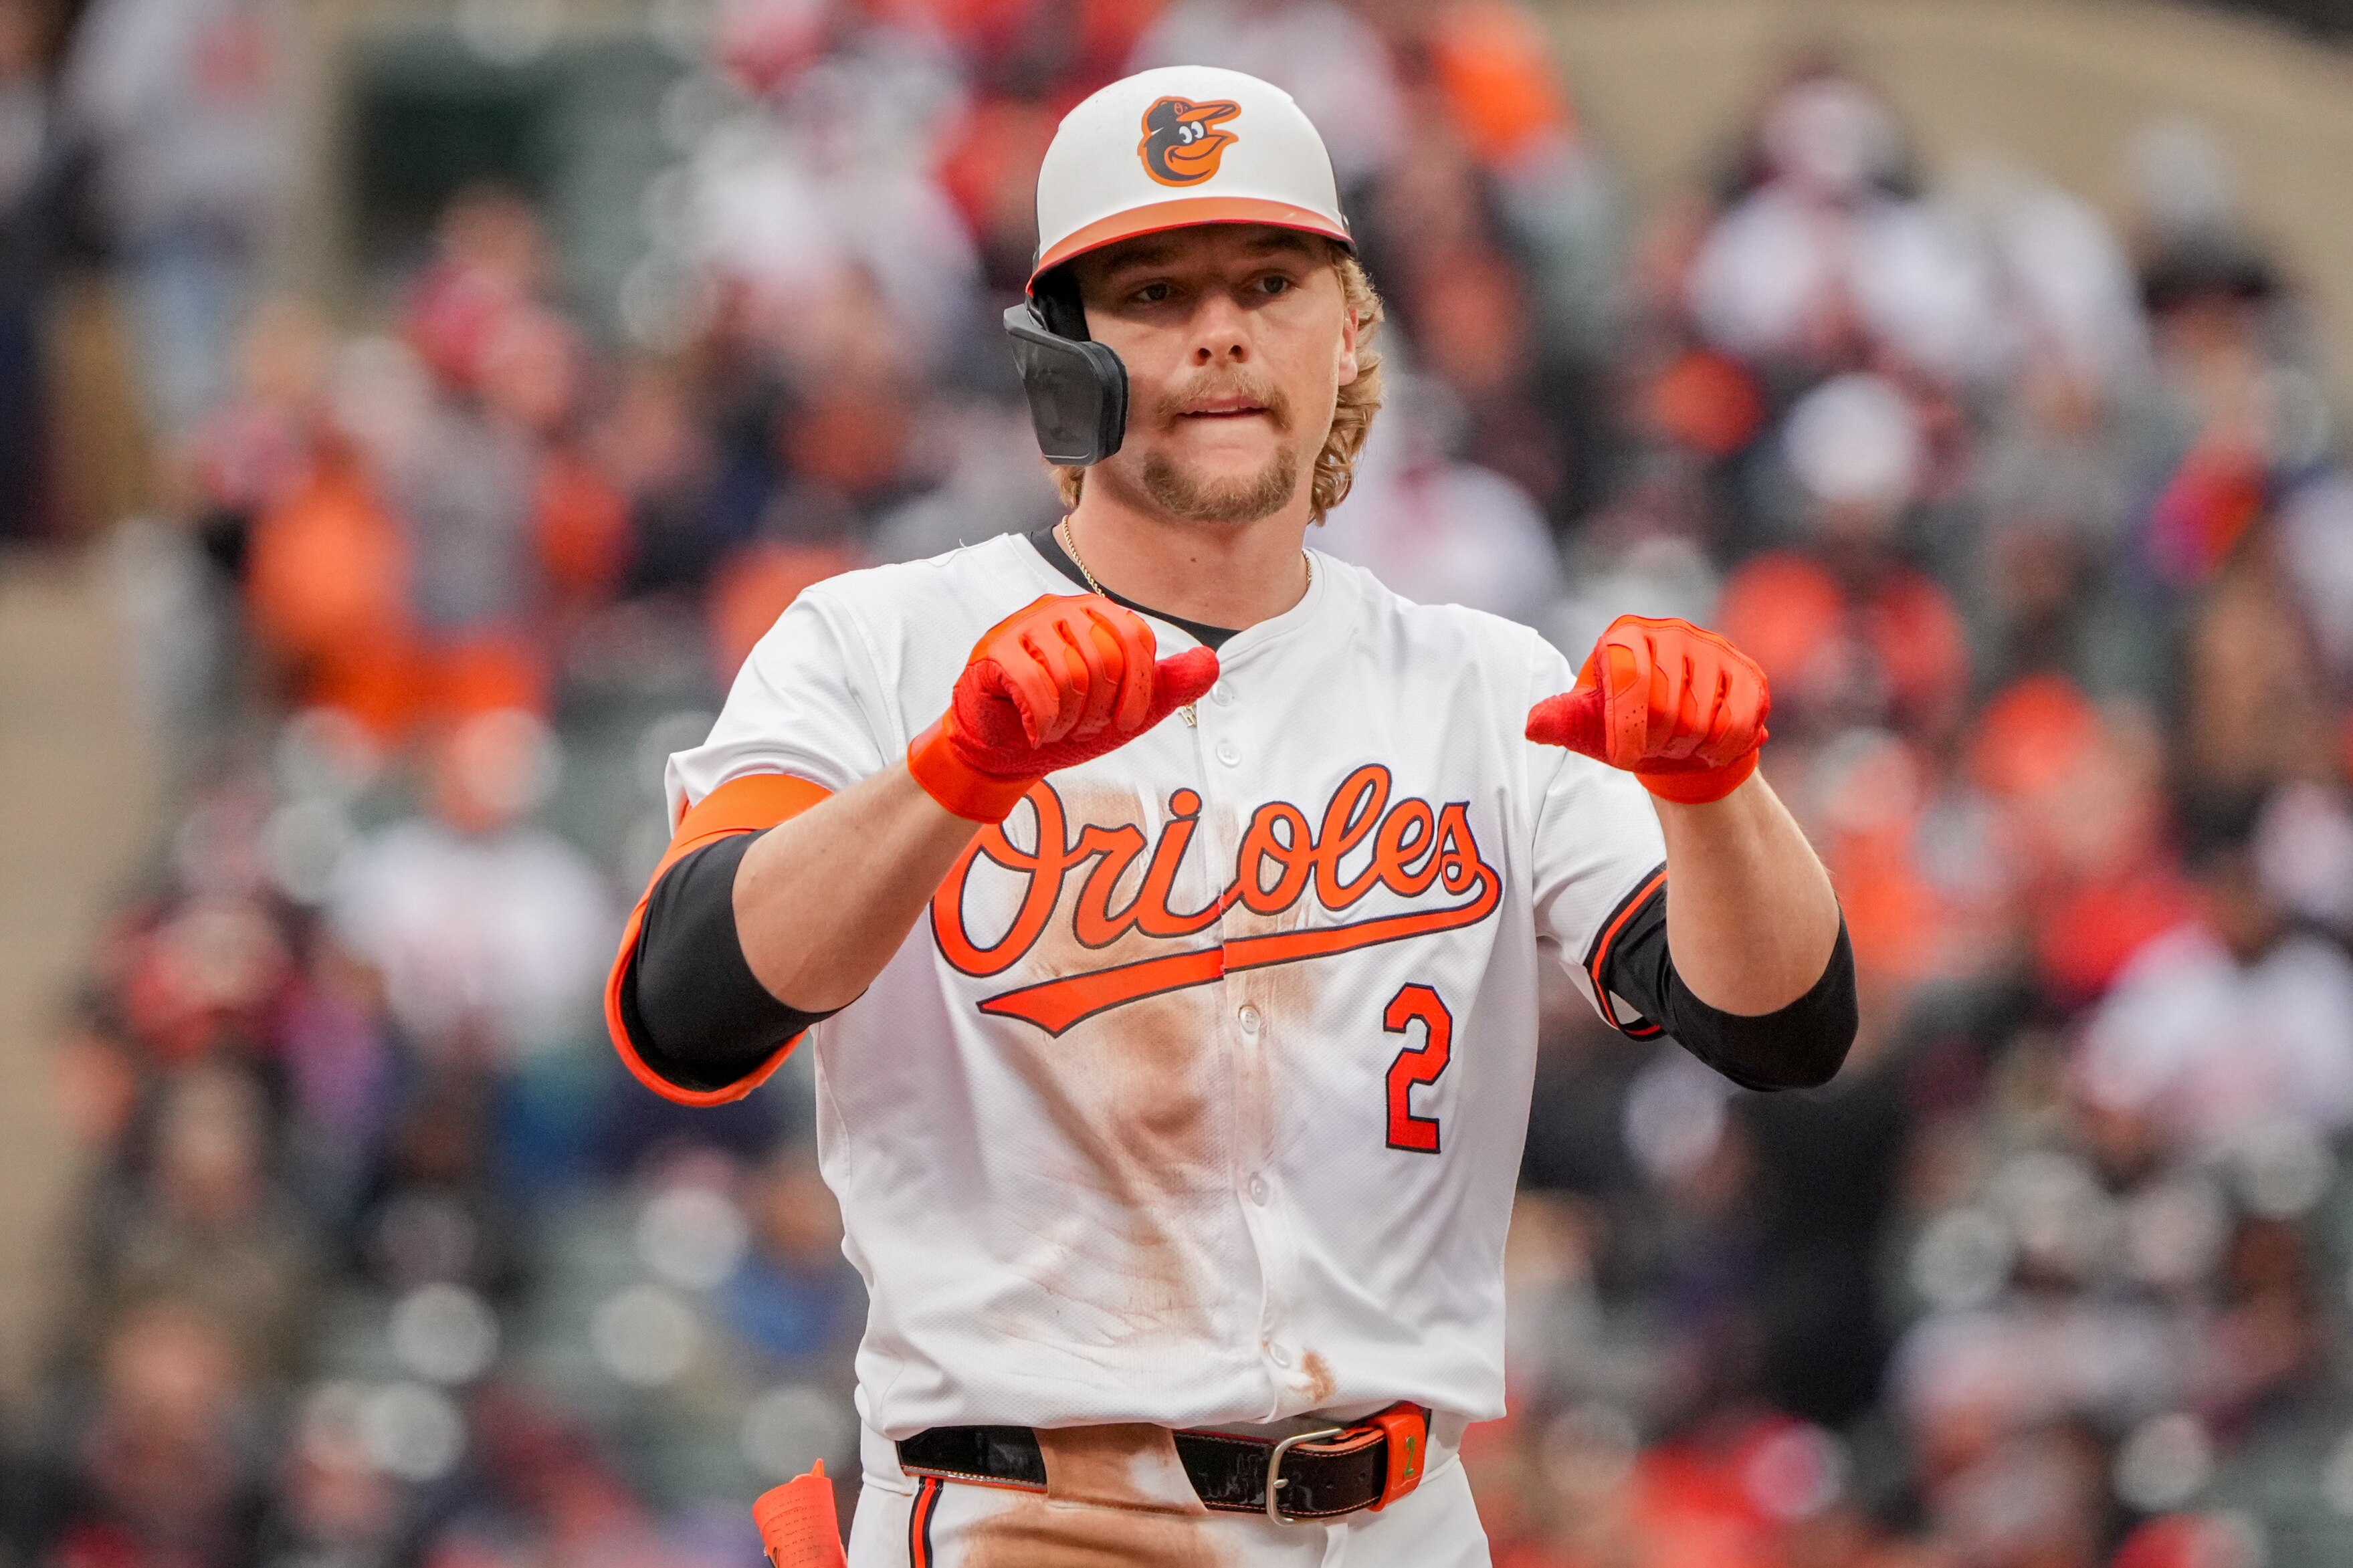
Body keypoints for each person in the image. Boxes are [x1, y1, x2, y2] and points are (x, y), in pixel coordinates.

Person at [604, 66, 1856, 1567]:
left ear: (1347, 336)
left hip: (1406, 1520)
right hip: (1028, 1515)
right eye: (1150, 291)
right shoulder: (879, 646)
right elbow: (680, 1008)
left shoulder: (1483, 683)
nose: (1218, 330)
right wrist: (953, 777)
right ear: (1056, 361)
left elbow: (1783, 1031)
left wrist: (1718, 799)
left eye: (1269, 280)